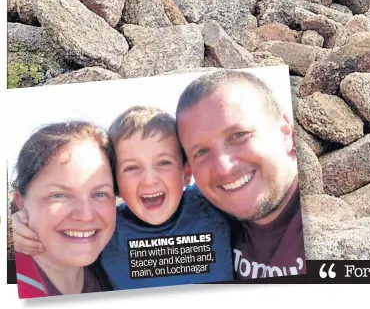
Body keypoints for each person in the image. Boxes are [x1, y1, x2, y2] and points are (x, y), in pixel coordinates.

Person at [13, 106, 233, 289]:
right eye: (131, 168)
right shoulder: (106, 232)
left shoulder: (213, 205)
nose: (149, 180)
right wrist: (17, 222)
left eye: (164, 163)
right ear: (116, 185)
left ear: (186, 174)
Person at [175, 69, 306, 279]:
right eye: (201, 152)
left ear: (286, 133)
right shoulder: (202, 217)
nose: (223, 167)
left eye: (239, 135)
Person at [12, 121, 116, 297]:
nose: (86, 216)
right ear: (21, 202)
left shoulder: (115, 259)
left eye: (100, 194)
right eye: (59, 195)